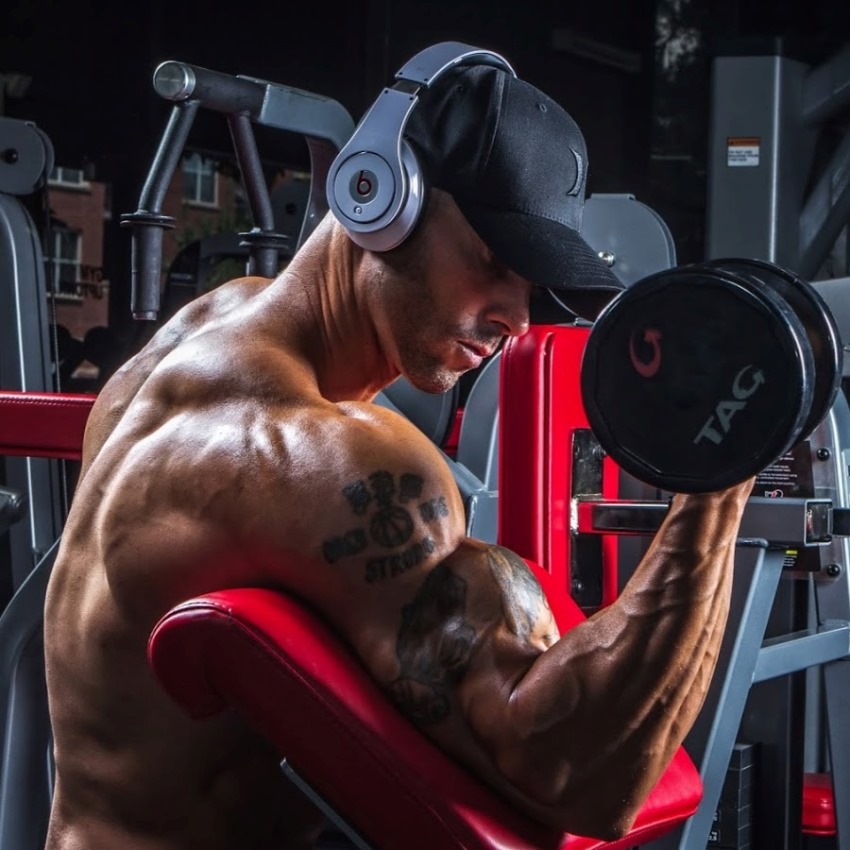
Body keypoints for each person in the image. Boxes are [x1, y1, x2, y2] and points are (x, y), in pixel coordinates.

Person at [43, 51, 755, 850]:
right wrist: (720, 468)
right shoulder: (329, 461)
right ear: (376, 193)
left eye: (534, 287)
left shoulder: (206, 332)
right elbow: (582, 781)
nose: (517, 320)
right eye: (492, 262)